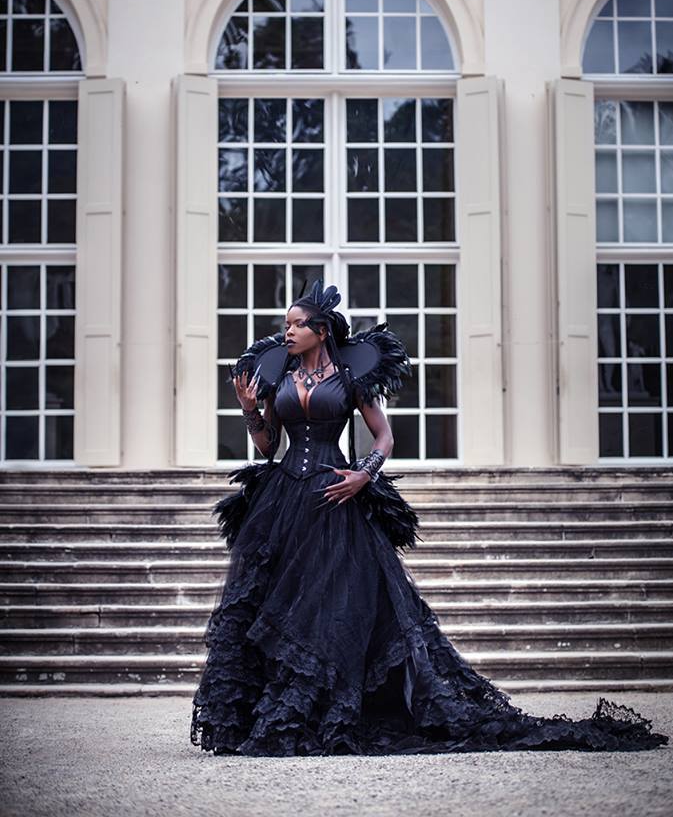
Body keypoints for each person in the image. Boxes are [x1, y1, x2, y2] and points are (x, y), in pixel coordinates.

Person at [190, 278, 668, 756]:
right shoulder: (277, 380)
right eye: (286, 324)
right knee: (276, 603)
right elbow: (268, 447)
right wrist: (251, 411)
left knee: (332, 607)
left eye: (296, 324)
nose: (287, 332)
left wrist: (363, 476)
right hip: (285, 503)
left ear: (320, 330)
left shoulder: (352, 380)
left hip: (338, 500)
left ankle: (328, 709)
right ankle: (272, 711)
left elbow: (384, 439)